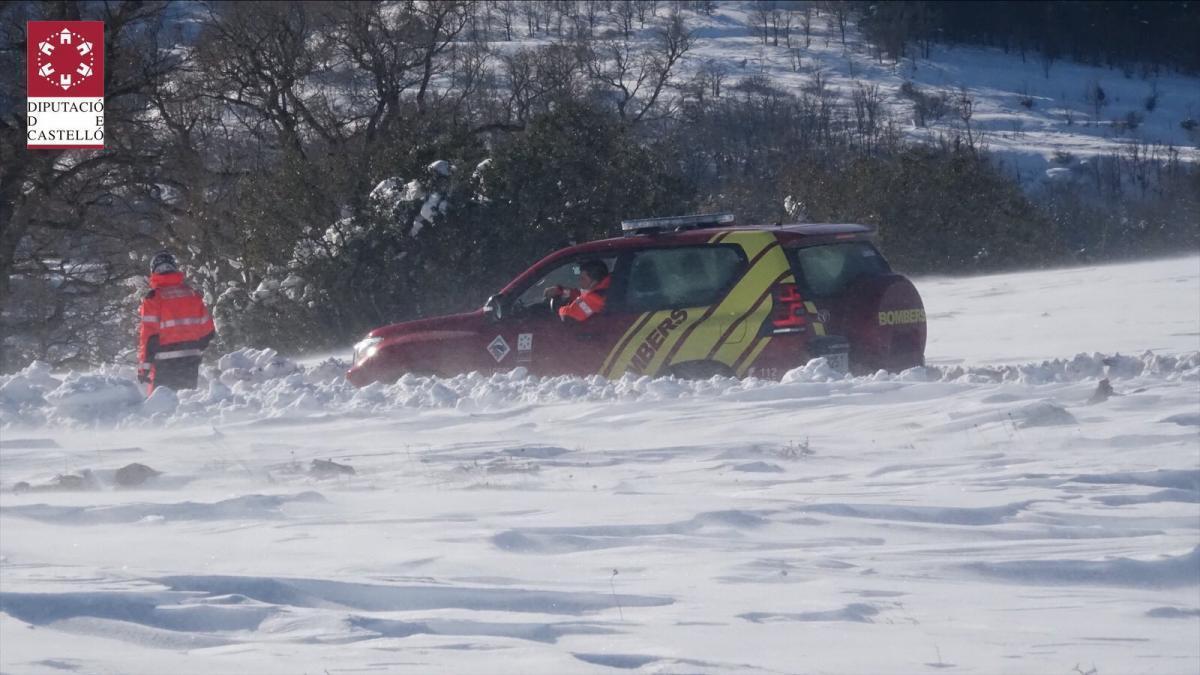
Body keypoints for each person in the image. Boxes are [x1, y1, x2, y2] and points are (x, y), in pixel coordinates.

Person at [138, 250, 216, 393]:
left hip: (164, 361)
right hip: (191, 359)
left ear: (154, 271)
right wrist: (193, 347)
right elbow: (209, 331)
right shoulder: (192, 294)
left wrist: (144, 368)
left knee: (161, 405)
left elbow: (149, 336)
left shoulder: (154, 298)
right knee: (187, 402)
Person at [543, 259, 610, 322]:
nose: (579, 281)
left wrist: (559, 309)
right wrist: (561, 291)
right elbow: (580, 296)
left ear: (594, 281)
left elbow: (569, 315)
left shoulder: (594, 299)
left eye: (583, 278)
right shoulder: (602, 290)